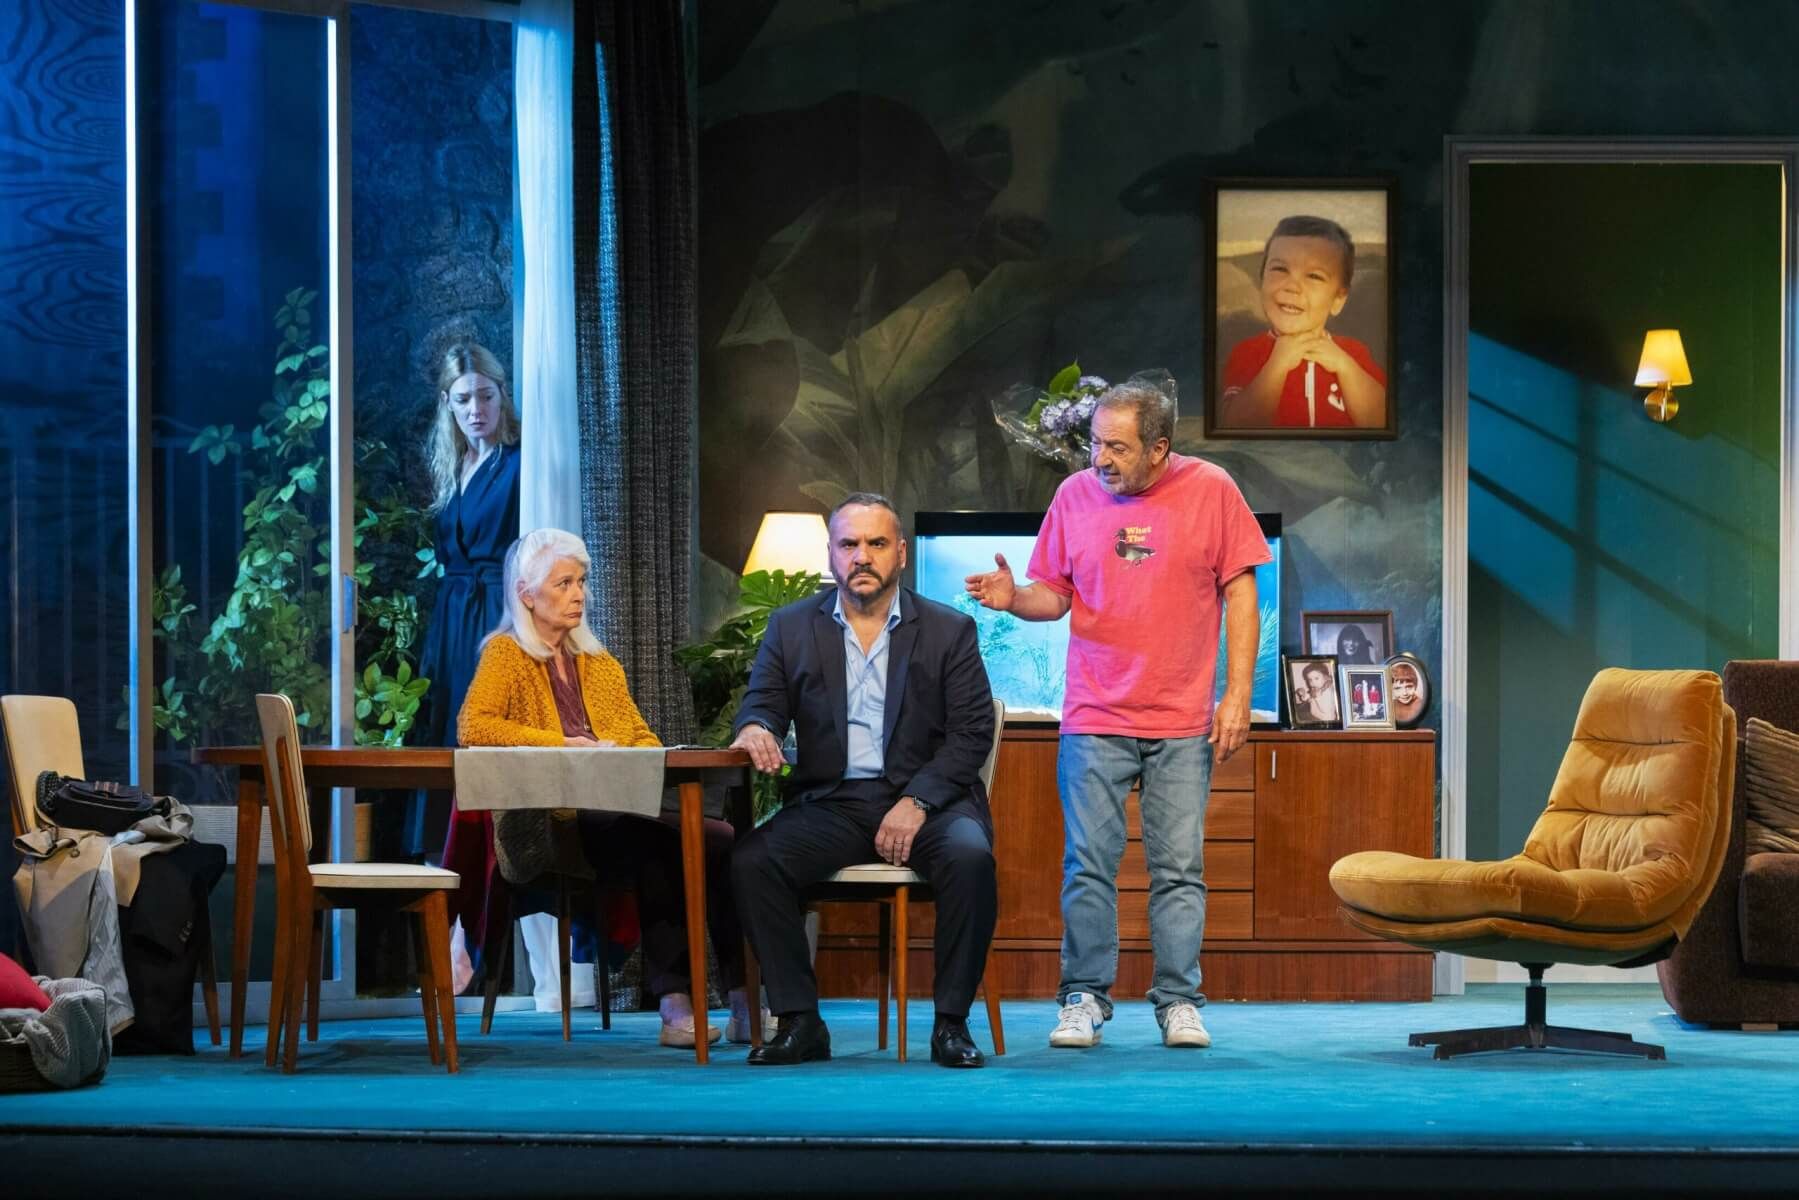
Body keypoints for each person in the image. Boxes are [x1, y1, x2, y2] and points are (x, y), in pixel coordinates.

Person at [966, 379, 1269, 1051]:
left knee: (1179, 869)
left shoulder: (1212, 489)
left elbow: (1242, 593)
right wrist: (1014, 598)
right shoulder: (1074, 495)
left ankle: (1178, 1002)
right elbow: (1053, 596)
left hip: (1181, 720)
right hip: (1094, 715)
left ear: (1159, 448)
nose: (1099, 458)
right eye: (1095, 443)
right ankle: (1082, 997)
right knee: (1087, 865)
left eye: (1117, 447)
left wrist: (1237, 695)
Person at [459, 527, 766, 1048]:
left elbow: (641, 736)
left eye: (581, 582)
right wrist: (562, 743)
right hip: (551, 821)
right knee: (661, 840)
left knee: (719, 840)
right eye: (563, 584)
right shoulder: (505, 655)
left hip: (621, 808)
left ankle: (740, 999)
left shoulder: (598, 663)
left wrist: (633, 752)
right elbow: (474, 726)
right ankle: (677, 1003)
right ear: (527, 595)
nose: (578, 594)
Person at [730, 494, 998, 1068]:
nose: (862, 556)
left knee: (970, 858)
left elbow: (971, 734)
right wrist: (755, 727)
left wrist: (917, 800)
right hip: (835, 802)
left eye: (876, 544)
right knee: (754, 861)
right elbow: (763, 703)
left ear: (900, 553)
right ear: (831, 553)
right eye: (849, 544)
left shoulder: (949, 630)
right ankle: (800, 1022)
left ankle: (951, 1024)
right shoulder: (792, 626)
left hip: (930, 801)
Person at [413, 343, 521, 864]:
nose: (476, 409)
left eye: (485, 396)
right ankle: (442, 860)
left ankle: (483, 860)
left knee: (481, 724)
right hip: (451, 615)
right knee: (443, 725)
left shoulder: (519, 463)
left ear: (502, 395)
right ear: (448, 404)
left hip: (494, 609)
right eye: (463, 399)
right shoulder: (454, 466)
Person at [1217, 215, 1386, 429]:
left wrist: (1345, 367)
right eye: (1280, 269)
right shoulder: (1246, 353)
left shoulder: (1355, 353)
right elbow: (1236, 427)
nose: (1292, 286)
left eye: (1314, 276)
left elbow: (1381, 421)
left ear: (1338, 300)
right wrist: (1276, 366)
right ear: (1262, 281)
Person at [1390, 661, 1424, 725]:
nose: (1404, 693)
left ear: (1415, 686)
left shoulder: (1420, 705)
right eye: (1398, 688)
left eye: (1409, 687)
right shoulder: (1391, 706)